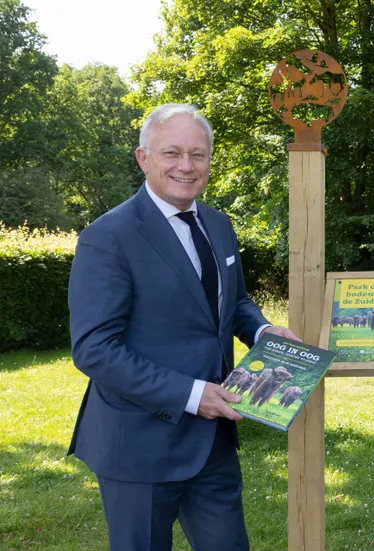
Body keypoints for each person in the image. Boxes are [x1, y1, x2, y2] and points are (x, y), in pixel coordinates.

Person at [67, 103, 298, 551]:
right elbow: (95, 348)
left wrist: (264, 333)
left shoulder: (218, 223)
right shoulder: (108, 235)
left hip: (213, 442)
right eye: (172, 153)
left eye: (199, 154)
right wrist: (194, 396)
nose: (187, 166)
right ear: (143, 158)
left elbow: (234, 302)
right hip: (138, 444)